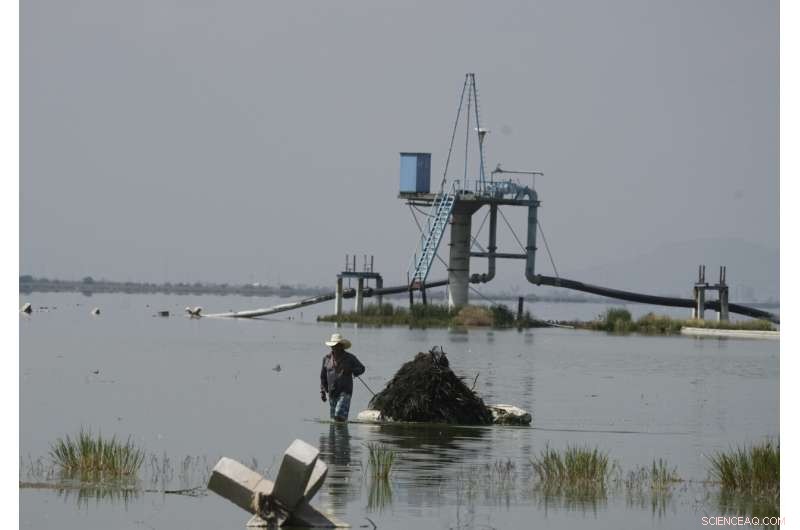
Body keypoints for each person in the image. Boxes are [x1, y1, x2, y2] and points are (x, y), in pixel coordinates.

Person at [320, 333, 365, 422]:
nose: (334, 348)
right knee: (333, 419)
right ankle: (339, 435)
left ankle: (342, 434)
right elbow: (323, 377)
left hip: (345, 392)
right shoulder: (326, 359)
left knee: (339, 414)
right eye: (333, 346)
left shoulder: (350, 358)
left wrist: (351, 370)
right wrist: (322, 391)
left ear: (341, 346)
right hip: (332, 392)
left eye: (336, 346)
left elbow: (362, 368)